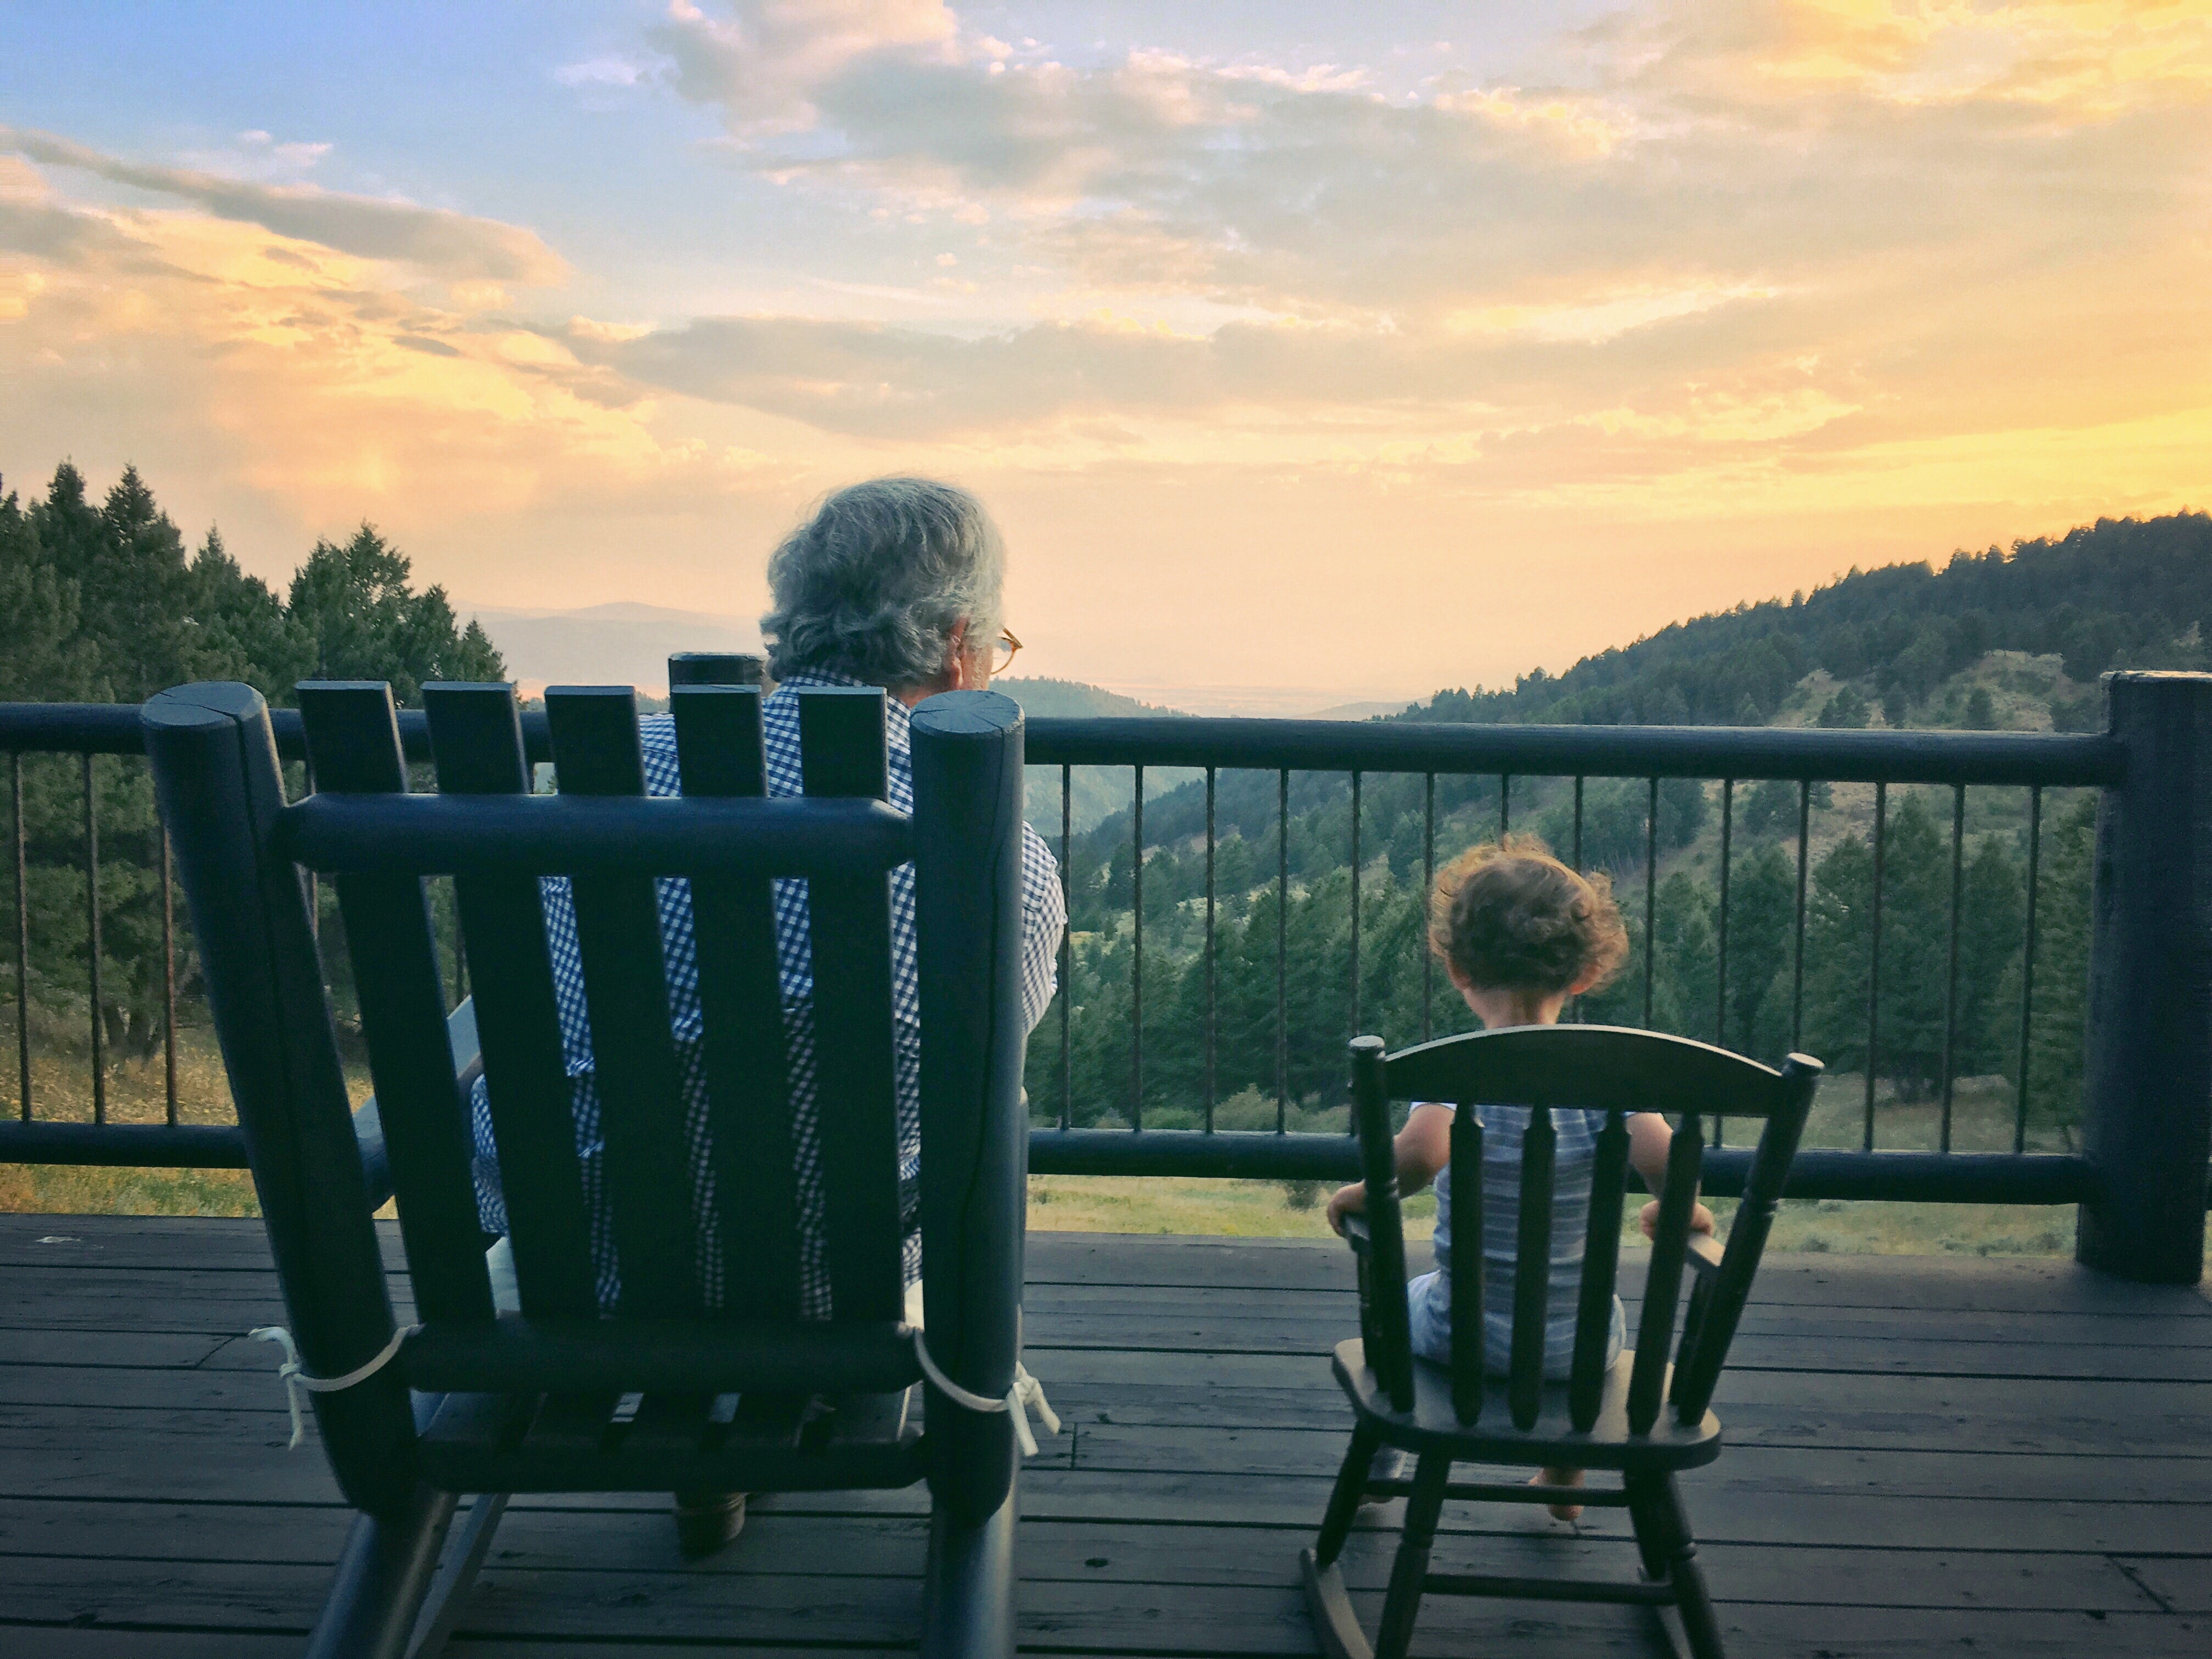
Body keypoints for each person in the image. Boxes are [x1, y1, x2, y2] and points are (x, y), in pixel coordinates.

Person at [470, 477, 1067, 1551]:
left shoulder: (598, 792)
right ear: (962, 646)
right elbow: (977, 1106)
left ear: (791, 623)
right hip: (834, 1295)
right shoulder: (996, 862)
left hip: (590, 1281)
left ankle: (704, 1475)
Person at [1325, 836, 1713, 1521]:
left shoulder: (1455, 1075)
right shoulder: (1613, 1080)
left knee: (1403, 1303)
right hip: (1583, 1350)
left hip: (1461, 1337)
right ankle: (1564, 1474)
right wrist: (1683, 1211)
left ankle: (1383, 1469)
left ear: (1456, 969)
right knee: (1599, 1307)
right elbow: (1668, 1162)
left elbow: (1415, 1160)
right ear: (1586, 974)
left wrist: (1360, 1194)